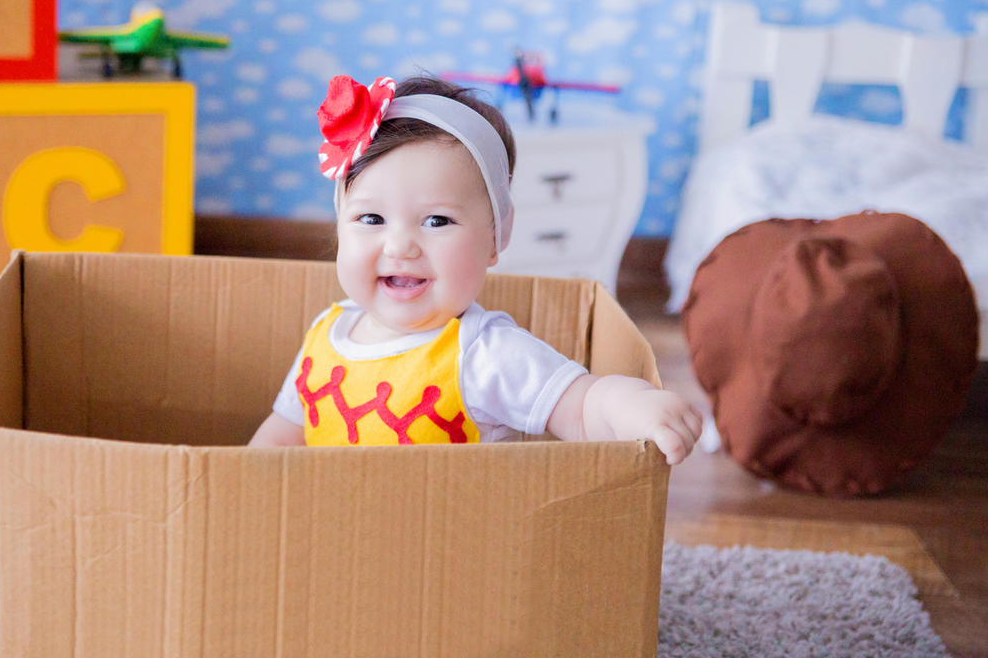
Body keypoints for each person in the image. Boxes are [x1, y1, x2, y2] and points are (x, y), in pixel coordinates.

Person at [248, 74, 702, 464]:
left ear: (494, 239)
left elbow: (581, 407)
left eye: (437, 221)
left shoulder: (483, 352)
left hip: (447, 554)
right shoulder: (325, 333)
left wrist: (635, 406)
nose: (401, 244)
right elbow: (284, 432)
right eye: (371, 219)